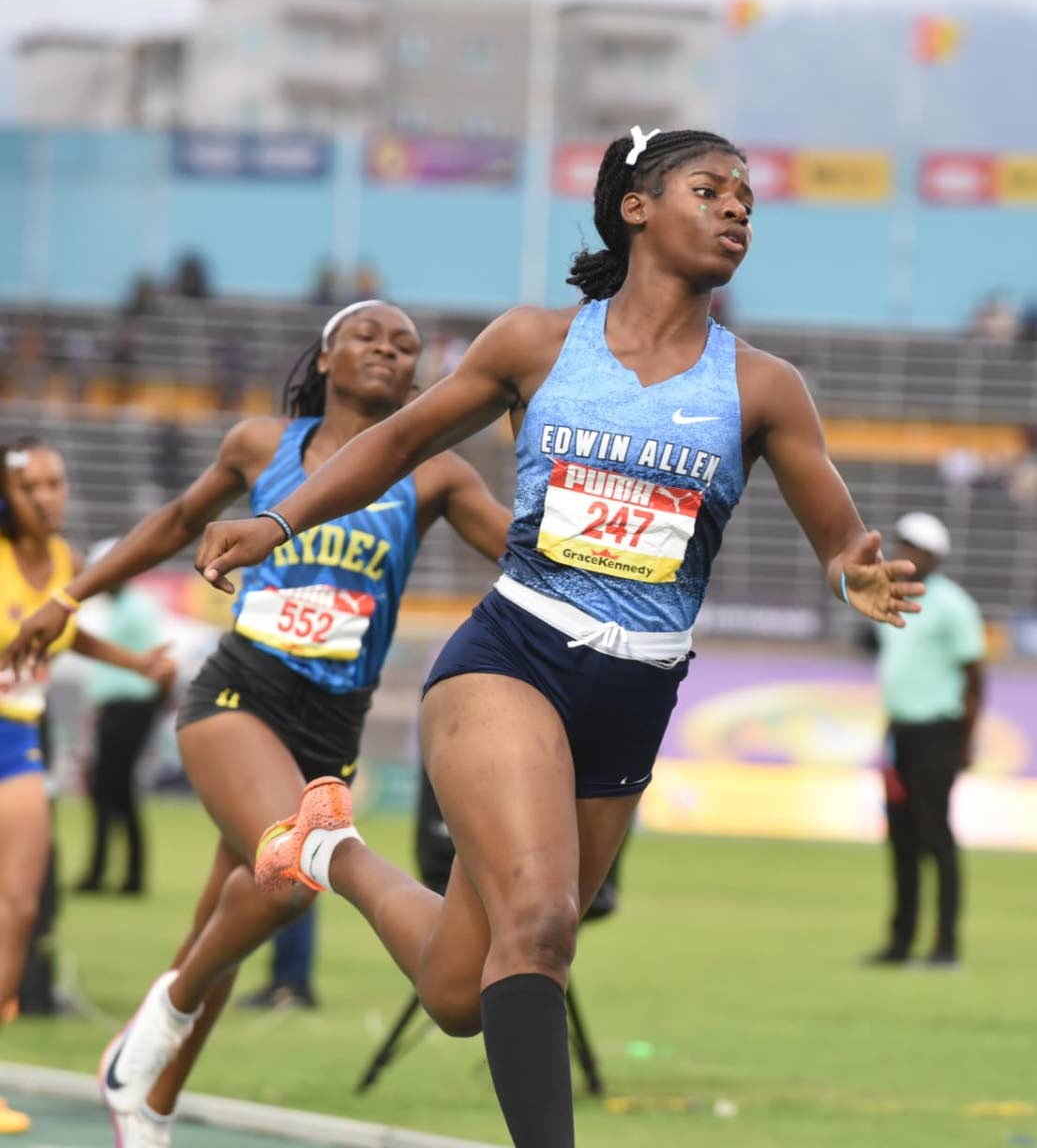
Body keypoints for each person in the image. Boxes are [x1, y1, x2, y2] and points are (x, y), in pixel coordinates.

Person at [180, 127, 925, 1148]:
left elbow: (837, 539)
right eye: (708, 190)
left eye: (745, 198)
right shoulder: (536, 344)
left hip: (634, 694)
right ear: (634, 207)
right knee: (540, 927)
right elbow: (398, 441)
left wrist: (857, 575)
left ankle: (330, 851)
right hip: (511, 656)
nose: (736, 209)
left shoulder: (761, 388)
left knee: (456, 988)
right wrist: (274, 523)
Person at [2, 301, 511, 1147]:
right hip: (241, 692)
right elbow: (172, 524)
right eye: (367, 337)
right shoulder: (259, 445)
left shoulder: (436, 474)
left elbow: (524, 556)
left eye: (405, 346)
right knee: (288, 869)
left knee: (230, 920)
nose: (387, 349)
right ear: (325, 356)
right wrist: (67, 596)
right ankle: (154, 1024)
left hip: (330, 729)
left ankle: (148, 1102)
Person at [0, 438, 175, 1137]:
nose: (48, 498)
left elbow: (64, 636)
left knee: (17, 908)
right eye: (30, 488)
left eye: (56, 483)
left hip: (19, 738)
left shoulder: (68, 562)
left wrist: (139, 663)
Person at [865, 512, 985, 969]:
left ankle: (945, 946)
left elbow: (975, 677)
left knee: (936, 836)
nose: (906, 554)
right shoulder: (892, 596)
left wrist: (966, 741)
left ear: (935, 555)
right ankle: (900, 943)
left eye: (915, 547)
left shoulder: (955, 605)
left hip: (939, 732)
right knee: (901, 837)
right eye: (903, 545)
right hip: (900, 731)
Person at [76, 540, 171, 896]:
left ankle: (105, 874)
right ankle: (123, 876)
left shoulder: (133, 609)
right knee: (114, 791)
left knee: (109, 790)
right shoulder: (122, 607)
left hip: (130, 709)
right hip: (119, 709)